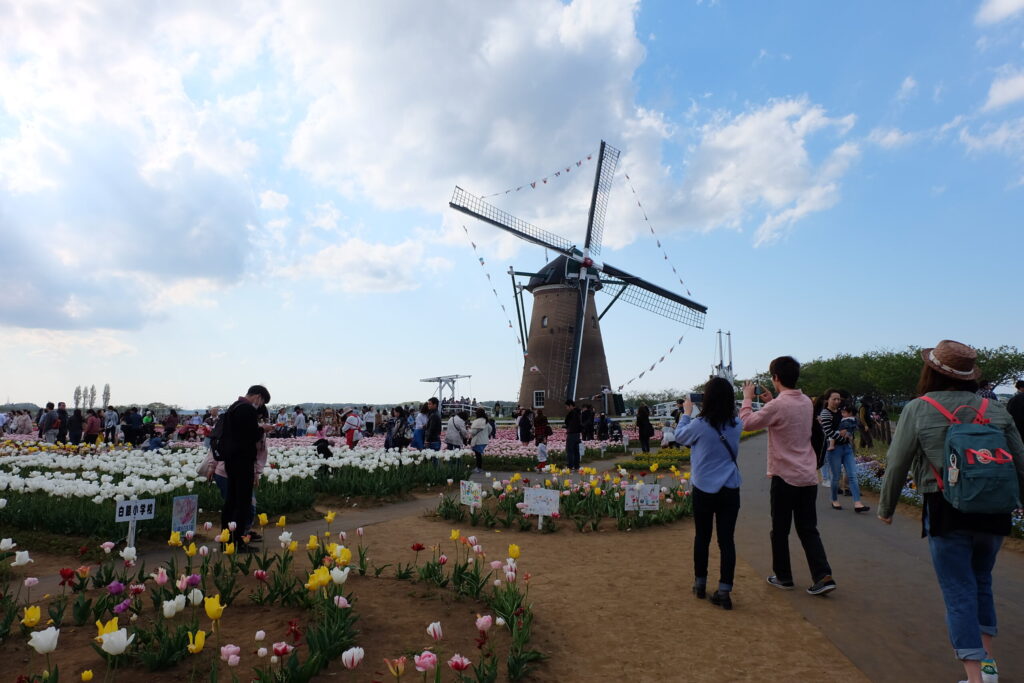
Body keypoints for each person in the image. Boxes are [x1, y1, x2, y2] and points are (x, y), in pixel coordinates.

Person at [879, 340, 1024, 683]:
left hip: (947, 509)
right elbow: (1020, 460)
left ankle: (975, 678)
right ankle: (988, 666)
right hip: (994, 511)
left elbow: (897, 462)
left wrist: (886, 507)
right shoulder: (994, 408)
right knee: (982, 581)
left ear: (930, 372)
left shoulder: (919, 408)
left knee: (959, 591)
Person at [740, 356, 836, 596]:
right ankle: (822, 575)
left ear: (775, 377)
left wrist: (747, 398)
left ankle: (783, 576)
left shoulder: (778, 406)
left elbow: (747, 423)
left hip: (784, 476)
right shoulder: (805, 401)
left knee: (780, 530)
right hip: (807, 475)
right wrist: (772, 401)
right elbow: (788, 416)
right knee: (808, 528)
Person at [675, 377, 743, 610]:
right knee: (727, 540)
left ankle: (700, 583)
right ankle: (724, 590)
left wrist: (686, 413)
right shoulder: (736, 424)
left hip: (704, 488)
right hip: (730, 488)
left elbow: (679, 437)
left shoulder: (699, 424)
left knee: (702, 537)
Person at [218, 385, 272, 548]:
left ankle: (227, 539)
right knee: (242, 502)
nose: (260, 406)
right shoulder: (247, 409)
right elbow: (250, 435)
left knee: (231, 500)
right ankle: (238, 541)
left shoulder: (234, 407)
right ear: (258, 396)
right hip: (242, 460)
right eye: (262, 402)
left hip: (230, 459)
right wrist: (262, 429)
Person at [820, 393, 869, 513]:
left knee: (852, 475)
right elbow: (828, 431)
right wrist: (842, 437)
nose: (837, 401)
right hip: (834, 449)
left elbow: (851, 428)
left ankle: (857, 503)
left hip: (847, 448)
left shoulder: (841, 412)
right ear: (828, 400)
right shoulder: (825, 413)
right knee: (836, 477)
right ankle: (834, 499)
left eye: (838, 399)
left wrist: (848, 435)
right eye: (834, 399)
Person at [469, 407, 490, 472]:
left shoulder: (477, 421)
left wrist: (469, 429)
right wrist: (486, 434)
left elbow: (473, 432)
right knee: (479, 454)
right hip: (484, 440)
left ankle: (478, 468)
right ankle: (479, 468)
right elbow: (490, 429)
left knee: (478, 455)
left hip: (478, 440)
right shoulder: (486, 421)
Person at [564, 400, 582, 471]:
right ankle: (577, 466)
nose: (566, 409)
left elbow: (568, 422)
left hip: (572, 433)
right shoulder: (578, 412)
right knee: (576, 450)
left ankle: (570, 466)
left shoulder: (572, 413)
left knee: (570, 450)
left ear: (571, 406)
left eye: (567, 407)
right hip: (577, 434)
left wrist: (567, 427)